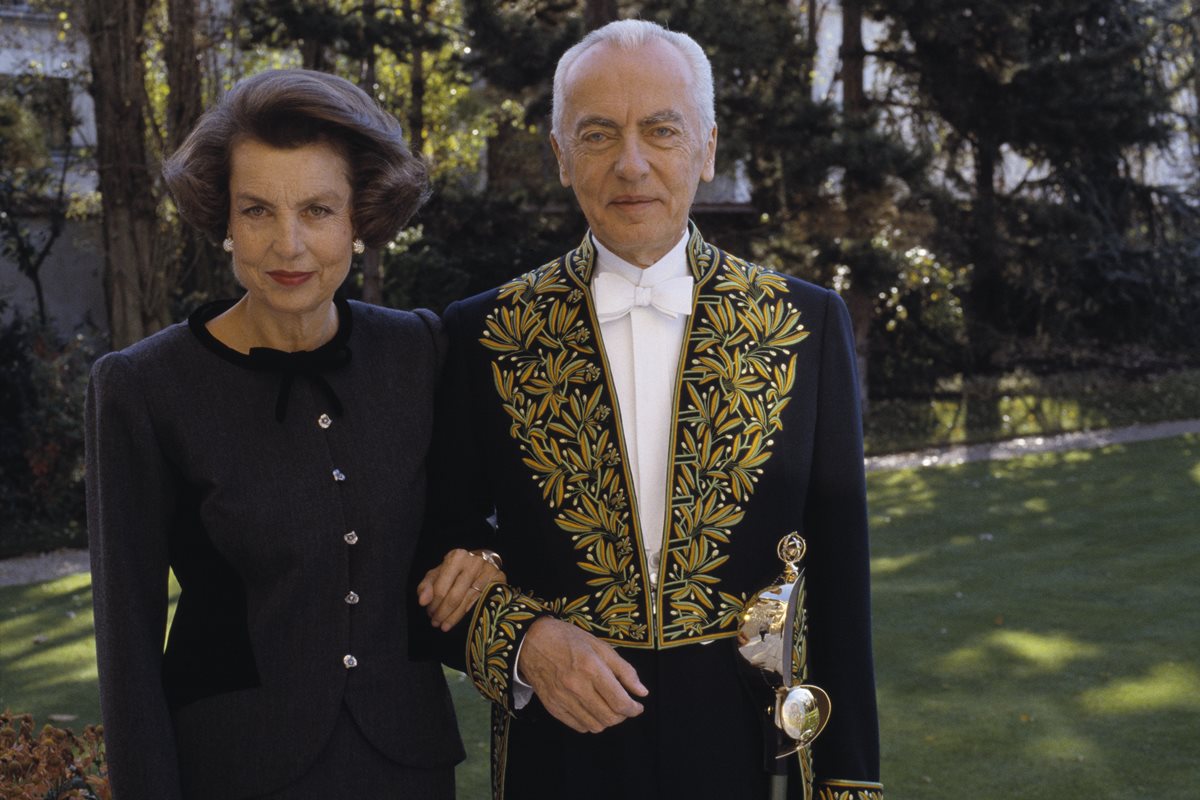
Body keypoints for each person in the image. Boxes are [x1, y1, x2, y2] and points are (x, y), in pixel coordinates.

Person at [417, 19, 883, 800]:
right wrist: (524, 643)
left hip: (746, 754)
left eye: (660, 131)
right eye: (597, 134)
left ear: (705, 149)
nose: (630, 164)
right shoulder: (484, 334)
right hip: (558, 755)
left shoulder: (804, 324)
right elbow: (436, 550)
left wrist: (846, 784)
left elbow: (840, 582)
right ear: (561, 157)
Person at [85, 69, 500, 799]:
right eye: (257, 211)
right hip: (235, 771)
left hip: (406, 767)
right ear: (223, 218)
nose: (289, 244)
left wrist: (489, 552)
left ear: (359, 217)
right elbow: (127, 643)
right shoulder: (144, 388)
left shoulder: (419, 350)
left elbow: (480, 511)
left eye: (317, 209)